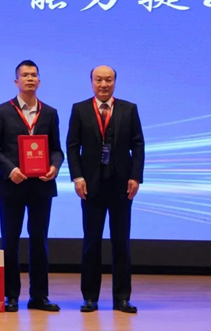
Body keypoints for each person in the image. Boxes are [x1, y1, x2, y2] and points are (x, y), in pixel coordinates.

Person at [66, 65, 144, 314]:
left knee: (121, 242)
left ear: (115, 82)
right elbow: (72, 146)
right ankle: (90, 297)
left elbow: (138, 145)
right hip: (91, 186)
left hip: (122, 186)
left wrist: (136, 177)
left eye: (108, 80)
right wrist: (77, 177)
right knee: (91, 243)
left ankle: (122, 299)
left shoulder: (129, 109)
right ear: (91, 82)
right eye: (99, 80)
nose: (103, 84)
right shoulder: (79, 109)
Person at [0, 60, 64, 313]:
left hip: (41, 186)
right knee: (10, 241)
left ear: (39, 81)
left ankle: (39, 296)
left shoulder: (50, 112)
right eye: (25, 75)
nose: (30, 79)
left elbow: (56, 149)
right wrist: (10, 170)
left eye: (33, 75)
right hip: (12, 185)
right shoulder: (2, 111)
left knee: (39, 241)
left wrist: (54, 166)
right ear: (16, 81)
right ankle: (11, 295)